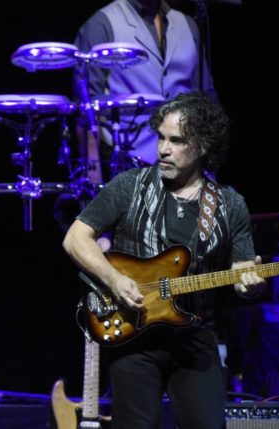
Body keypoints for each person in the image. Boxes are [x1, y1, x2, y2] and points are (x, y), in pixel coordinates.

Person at [62, 92, 264, 428]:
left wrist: (249, 284)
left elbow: (242, 271)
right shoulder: (130, 186)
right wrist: (114, 280)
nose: (163, 149)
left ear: (202, 146)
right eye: (161, 138)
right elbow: (75, 238)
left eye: (176, 141)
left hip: (195, 339)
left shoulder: (229, 204)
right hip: (135, 337)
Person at [73, 0, 216, 184]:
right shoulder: (101, 24)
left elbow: (206, 100)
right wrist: (94, 179)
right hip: (129, 164)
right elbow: (86, 109)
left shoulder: (187, 25)